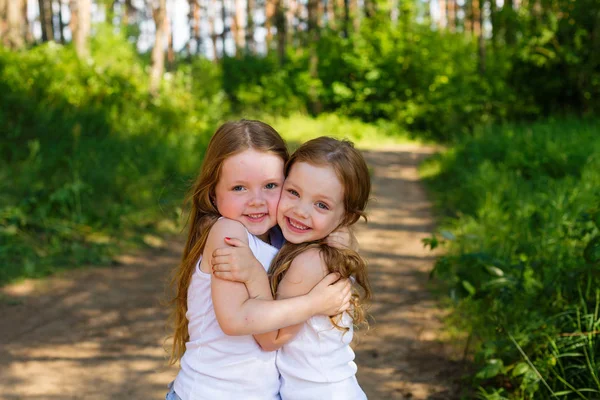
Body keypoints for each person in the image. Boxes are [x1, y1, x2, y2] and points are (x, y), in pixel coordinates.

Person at [167, 121, 353, 400]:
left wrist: (341, 233)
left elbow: (331, 222)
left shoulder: (281, 238)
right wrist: (314, 303)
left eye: (270, 186)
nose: (256, 201)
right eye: (239, 188)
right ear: (213, 194)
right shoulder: (228, 234)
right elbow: (234, 320)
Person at [212, 137, 372, 399]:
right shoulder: (316, 244)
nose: (300, 211)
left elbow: (271, 338)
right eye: (293, 193)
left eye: (321, 205)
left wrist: (253, 274)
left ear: (346, 217)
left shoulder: (310, 262)